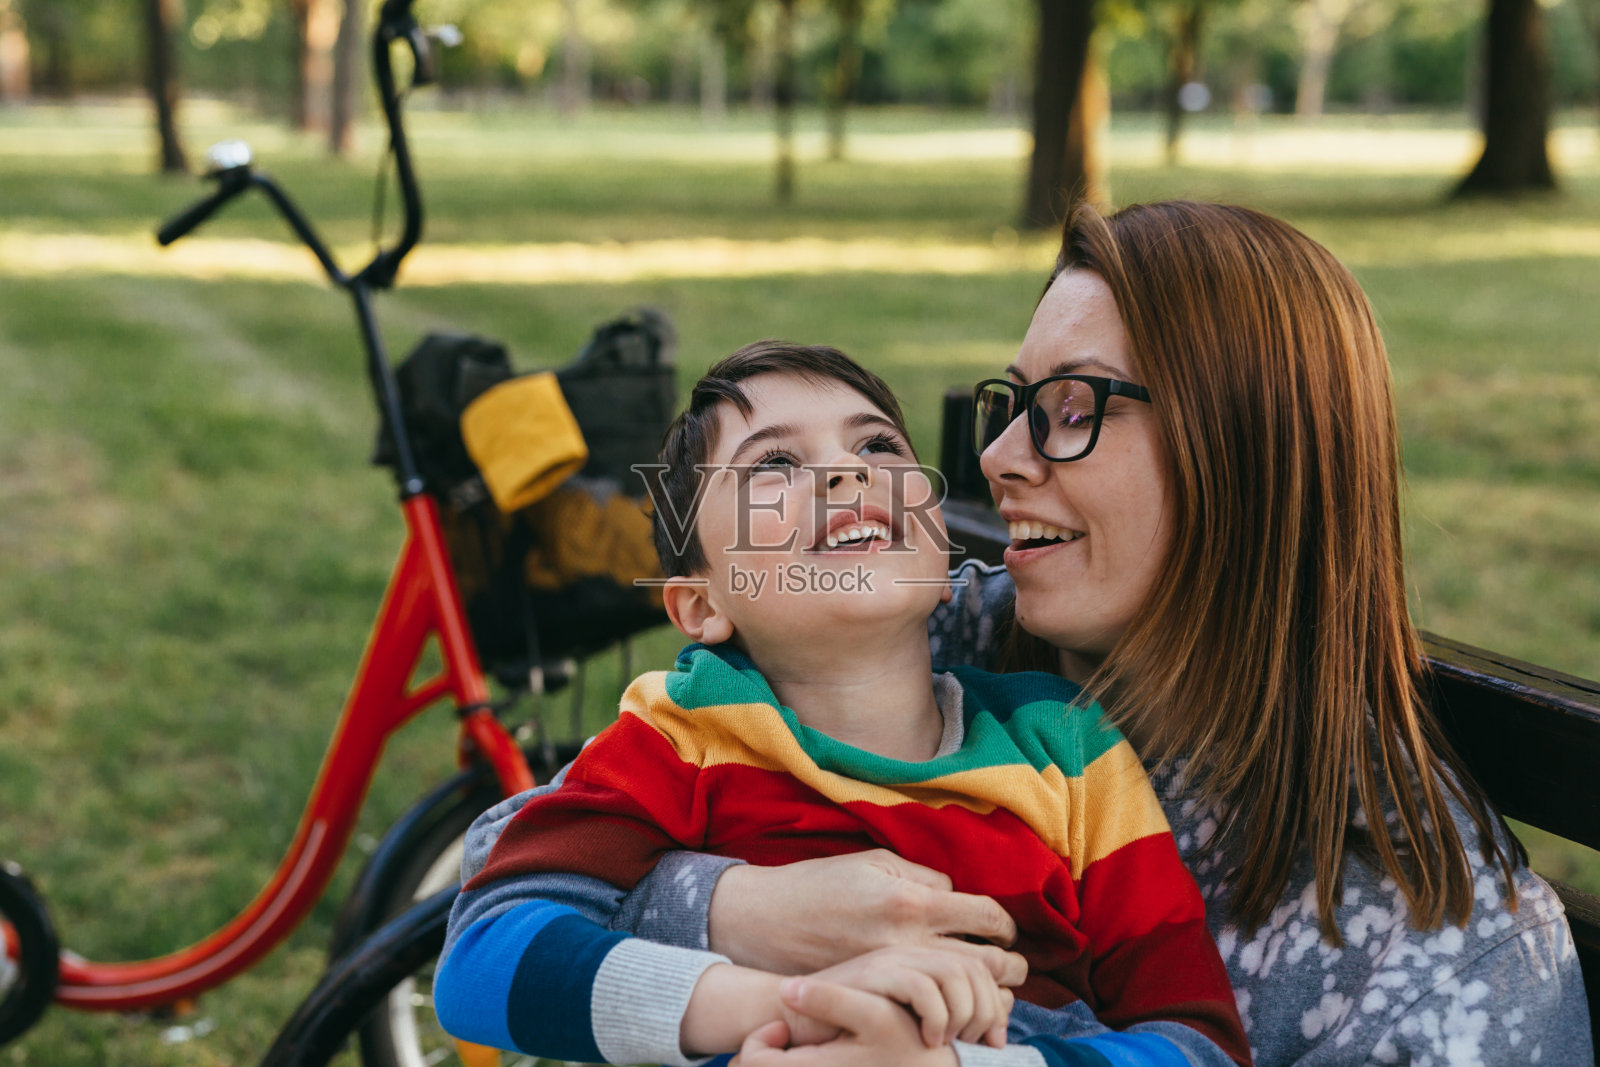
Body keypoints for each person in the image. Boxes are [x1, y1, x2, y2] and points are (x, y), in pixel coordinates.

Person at [458, 200, 1591, 1065]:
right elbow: (495, 881)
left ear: (1241, 453)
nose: (996, 461)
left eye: (1075, 407)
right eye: (1015, 402)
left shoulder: (1439, 940)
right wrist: (751, 920)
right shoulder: (958, 625)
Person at [435, 340, 1253, 1067]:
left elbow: (1198, 1041)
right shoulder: (684, 737)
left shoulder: (1068, 750)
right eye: (774, 467)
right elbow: (482, 960)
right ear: (701, 605)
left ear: (942, 548)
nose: (847, 472)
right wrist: (773, 1005)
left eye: (877, 445)